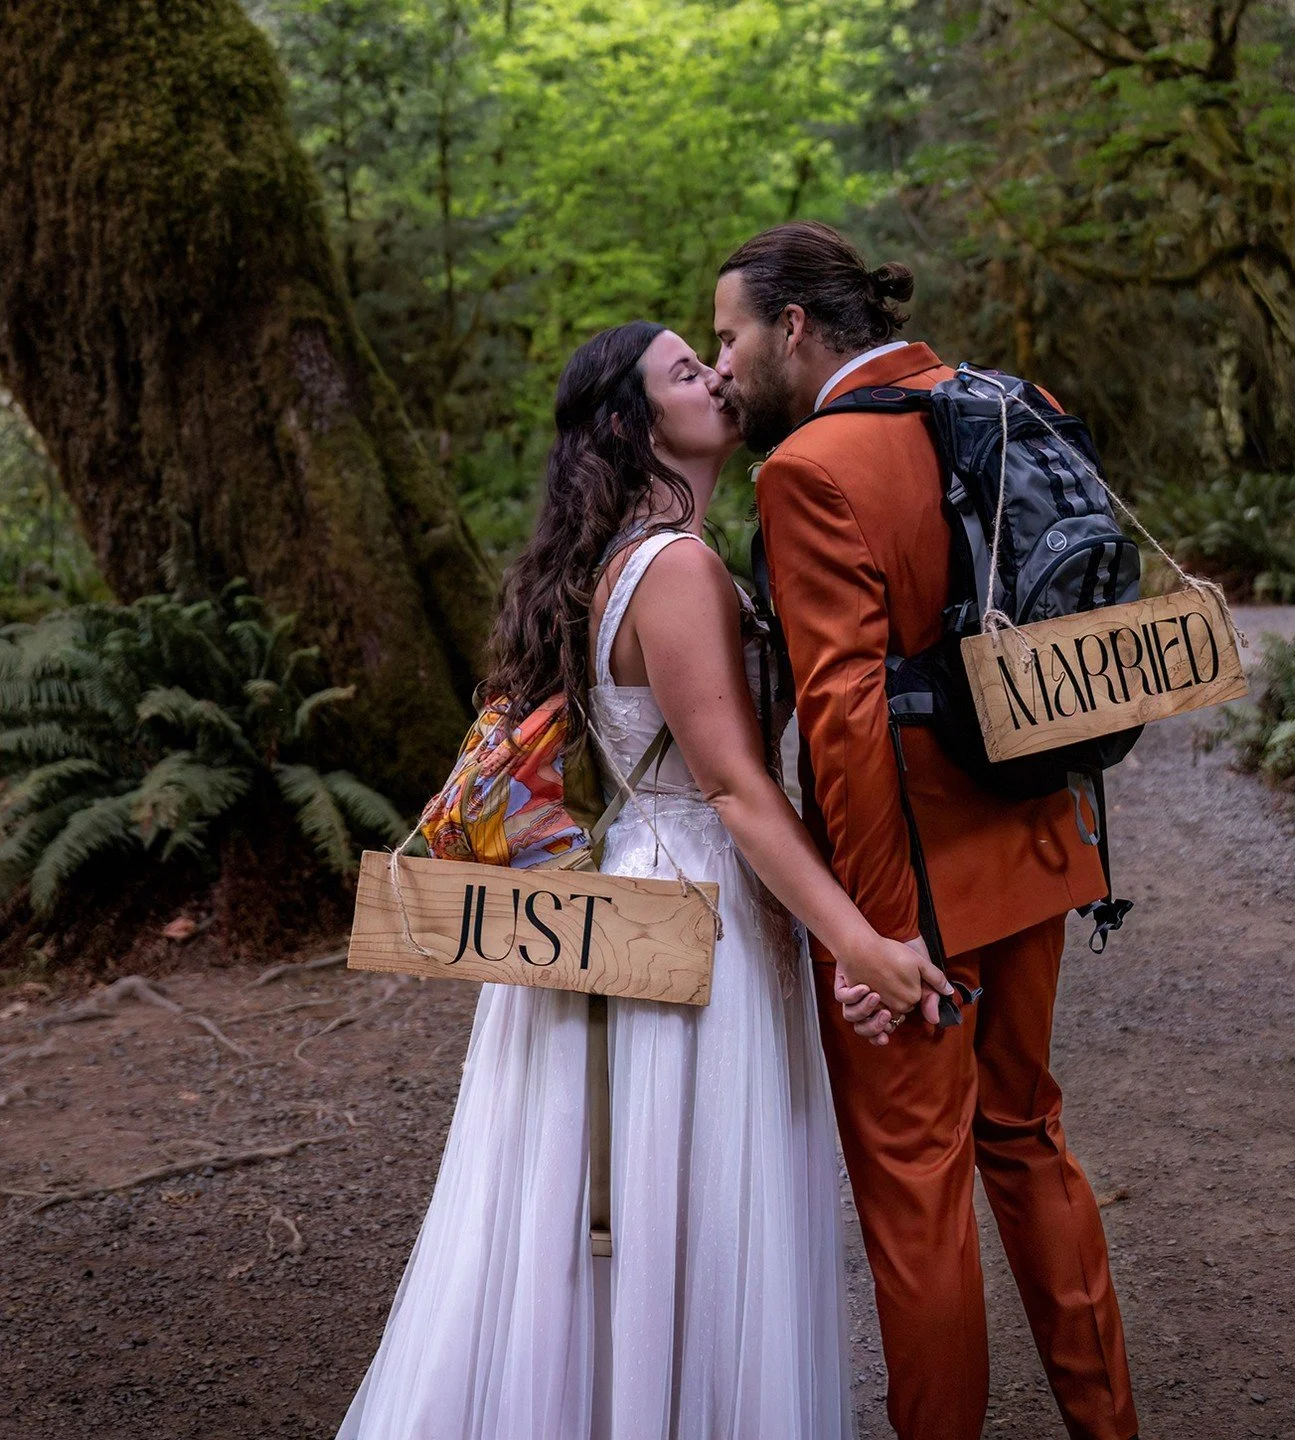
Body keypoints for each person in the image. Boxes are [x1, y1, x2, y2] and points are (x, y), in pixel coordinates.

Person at [336, 319, 949, 1440]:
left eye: (711, 356)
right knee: (688, 1212)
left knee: (630, 1229)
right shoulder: (671, 566)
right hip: (684, 917)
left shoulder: (633, 554)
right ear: (634, 421)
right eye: (686, 369)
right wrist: (858, 944)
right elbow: (732, 787)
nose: (717, 373)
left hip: (660, 889)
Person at [714, 222, 1140, 1440]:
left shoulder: (812, 471)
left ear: (794, 328)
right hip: (1042, 837)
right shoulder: (1014, 404)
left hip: (918, 894)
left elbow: (844, 725)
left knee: (917, 1195)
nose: (724, 363)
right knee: (1028, 1132)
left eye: (733, 335)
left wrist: (872, 944)